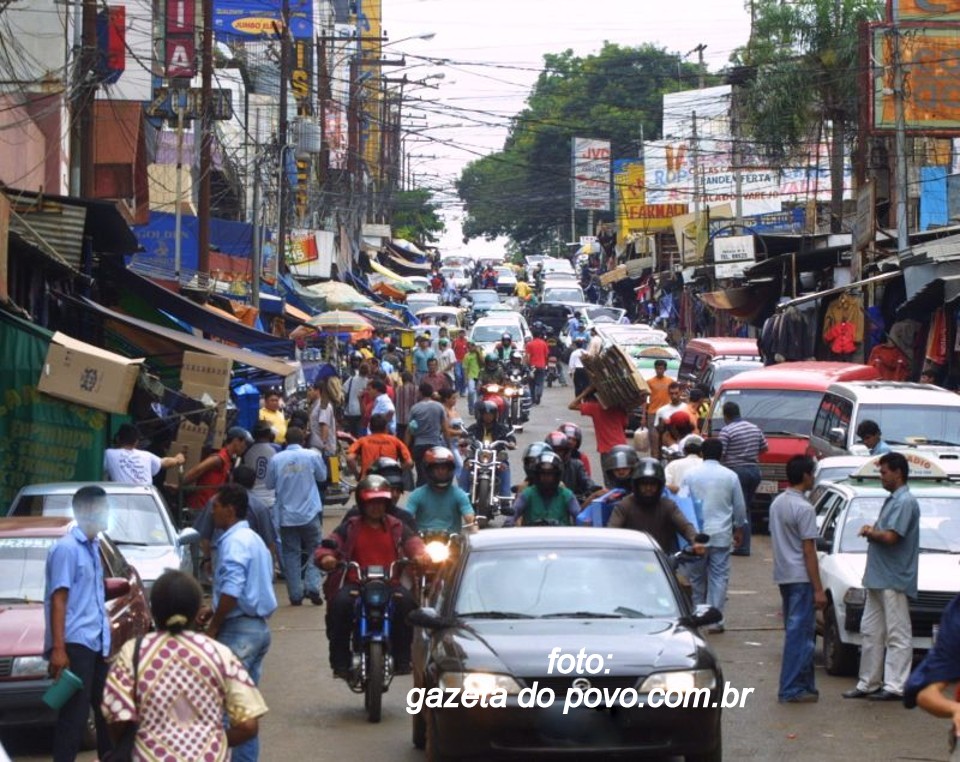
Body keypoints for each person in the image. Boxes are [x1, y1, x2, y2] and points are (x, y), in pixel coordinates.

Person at [101, 571, 268, 761]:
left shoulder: (133, 653)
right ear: (196, 610)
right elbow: (248, 726)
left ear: (153, 610)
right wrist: (214, 742)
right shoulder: (219, 654)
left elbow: (116, 715)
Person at [316, 477, 429, 678]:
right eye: (371, 502)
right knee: (339, 606)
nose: (376, 507)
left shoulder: (397, 526)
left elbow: (414, 543)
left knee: (407, 606)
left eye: (380, 502)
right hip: (356, 584)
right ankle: (340, 662)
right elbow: (330, 543)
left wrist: (421, 556)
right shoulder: (350, 526)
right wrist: (326, 557)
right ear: (362, 503)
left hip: (390, 584)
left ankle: (403, 658)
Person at [198, 485, 277, 762]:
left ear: (230, 510)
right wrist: (214, 609)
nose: (212, 511)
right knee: (244, 712)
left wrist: (214, 625)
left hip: (239, 631)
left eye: (216, 507)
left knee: (221, 708)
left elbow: (232, 589)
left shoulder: (234, 542)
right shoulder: (251, 539)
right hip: (256, 629)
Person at [843, 451, 920, 702]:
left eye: (884, 472)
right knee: (871, 631)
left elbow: (891, 537)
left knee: (897, 633)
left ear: (898, 473)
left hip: (894, 578)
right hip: (878, 577)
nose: (882, 477)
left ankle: (895, 685)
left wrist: (869, 532)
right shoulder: (893, 500)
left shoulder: (905, 502)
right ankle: (868, 682)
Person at [44, 486, 113, 762]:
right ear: (85, 511)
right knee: (74, 716)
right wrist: (59, 649)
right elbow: (58, 599)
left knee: (107, 710)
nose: (108, 513)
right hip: (76, 644)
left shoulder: (94, 546)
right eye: (102, 507)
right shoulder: (67, 549)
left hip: (96, 641)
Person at [769, 455, 827, 704]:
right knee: (800, 636)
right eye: (812, 473)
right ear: (805, 475)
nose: (814, 477)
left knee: (799, 632)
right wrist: (818, 589)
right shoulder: (804, 508)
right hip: (801, 577)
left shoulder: (778, 503)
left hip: (784, 574)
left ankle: (804, 685)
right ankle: (791, 688)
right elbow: (808, 551)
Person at [681, 438, 748, 634]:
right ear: (722, 454)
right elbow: (739, 507)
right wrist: (739, 527)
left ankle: (698, 617)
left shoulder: (690, 475)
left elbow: (683, 503)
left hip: (696, 535)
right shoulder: (731, 476)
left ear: (702, 453)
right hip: (721, 533)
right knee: (719, 577)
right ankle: (715, 620)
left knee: (697, 578)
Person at [265, 426, 327, 606]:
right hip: (309, 513)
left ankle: (295, 594)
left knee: (291, 553)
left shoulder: (276, 459)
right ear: (303, 440)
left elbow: (269, 484)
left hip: (286, 516)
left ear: (286, 441)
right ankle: (313, 585)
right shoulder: (312, 456)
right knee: (316, 548)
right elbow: (322, 477)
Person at [194, 465, 279, 577]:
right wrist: (269, 568)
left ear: (231, 479)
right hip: (251, 558)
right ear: (253, 484)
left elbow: (204, 536)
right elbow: (270, 542)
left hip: (218, 555)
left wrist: (207, 559)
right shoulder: (260, 507)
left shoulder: (216, 501)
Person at [608, 458, 705, 555]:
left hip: (662, 562)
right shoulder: (624, 506)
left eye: (653, 484)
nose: (648, 488)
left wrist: (695, 541)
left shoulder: (668, 505)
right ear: (636, 485)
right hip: (632, 560)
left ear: (660, 486)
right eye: (644, 484)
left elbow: (685, 527)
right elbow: (612, 531)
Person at [718, 400, 768, 557]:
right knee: (746, 507)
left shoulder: (726, 431)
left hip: (737, 472)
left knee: (740, 509)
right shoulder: (754, 428)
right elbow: (765, 448)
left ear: (726, 415)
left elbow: (721, 453)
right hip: (754, 471)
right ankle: (742, 543)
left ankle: (742, 546)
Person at [182, 426, 253, 513]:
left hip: (210, 507)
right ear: (236, 441)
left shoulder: (228, 460)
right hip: (200, 506)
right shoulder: (219, 458)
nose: (245, 447)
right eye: (244, 443)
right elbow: (197, 471)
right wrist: (180, 485)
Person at [407, 446, 476, 533]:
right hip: (422, 542)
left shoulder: (459, 494)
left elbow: (470, 518)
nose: (441, 472)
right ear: (429, 470)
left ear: (450, 469)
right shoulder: (417, 495)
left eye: (444, 468)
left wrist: (473, 527)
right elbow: (407, 516)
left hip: (452, 543)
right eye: (437, 468)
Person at [568, 385, 628, 484]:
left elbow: (572, 405)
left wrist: (585, 391)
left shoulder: (595, 408)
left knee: (609, 481)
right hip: (622, 447)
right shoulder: (619, 408)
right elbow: (625, 424)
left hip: (607, 450)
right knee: (623, 479)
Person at [461, 400, 517, 498]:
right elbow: (465, 435)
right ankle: (461, 495)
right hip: (476, 458)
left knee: (504, 467)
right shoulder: (475, 427)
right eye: (485, 414)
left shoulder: (501, 428)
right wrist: (463, 440)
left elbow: (510, 437)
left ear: (495, 415)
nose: (488, 416)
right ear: (481, 415)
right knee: (466, 465)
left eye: (491, 414)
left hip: (495, 458)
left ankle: (505, 499)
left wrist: (511, 443)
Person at [576, 445, 639, 527]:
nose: (621, 472)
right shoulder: (609, 494)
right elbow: (581, 515)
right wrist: (594, 496)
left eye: (625, 469)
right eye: (617, 469)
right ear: (611, 471)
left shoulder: (639, 490)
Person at [406, 382, 455, 486]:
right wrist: (449, 446)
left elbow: (409, 430)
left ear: (420, 393)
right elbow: (445, 429)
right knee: (435, 474)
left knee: (421, 474)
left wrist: (405, 449)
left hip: (419, 446)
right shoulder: (439, 407)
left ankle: (420, 496)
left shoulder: (415, 408)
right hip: (435, 446)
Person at [103, 422, 184, 484]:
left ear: (118, 438)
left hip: (120, 500)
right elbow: (164, 462)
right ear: (136, 442)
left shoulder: (108, 454)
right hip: (146, 498)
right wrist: (177, 459)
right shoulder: (146, 455)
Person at [513, 451, 580, 526]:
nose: (546, 477)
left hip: (561, 537)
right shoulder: (526, 494)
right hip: (532, 536)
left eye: (550, 474)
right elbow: (512, 515)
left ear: (557, 476)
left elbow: (580, 518)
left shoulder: (567, 495)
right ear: (537, 475)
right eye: (543, 473)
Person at [346, 412, 413, 479]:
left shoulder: (362, 441)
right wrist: (396, 469)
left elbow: (350, 459)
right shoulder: (395, 441)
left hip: (368, 480)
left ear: (370, 427)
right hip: (389, 480)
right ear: (386, 427)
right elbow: (409, 463)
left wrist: (357, 475)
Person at [544, 430, 598, 501]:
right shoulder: (540, 465)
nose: (556, 454)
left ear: (567, 451)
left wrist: (596, 490)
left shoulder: (576, 465)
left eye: (560, 450)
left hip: (572, 503)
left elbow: (587, 482)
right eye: (554, 450)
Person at [242, 423, 281, 509]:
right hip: (270, 498)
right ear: (269, 435)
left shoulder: (247, 450)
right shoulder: (276, 449)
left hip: (252, 498)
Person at [308, 377, 338, 456]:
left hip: (324, 450)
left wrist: (323, 445)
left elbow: (324, 426)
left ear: (317, 391)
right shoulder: (316, 404)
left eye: (310, 390)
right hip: (317, 447)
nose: (308, 393)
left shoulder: (323, 405)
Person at [342, 360, 370, 437]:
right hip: (361, 411)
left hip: (350, 410)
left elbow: (343, 390)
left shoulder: (351, 379)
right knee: (359, 434)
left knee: (351, 434)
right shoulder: (368, 383)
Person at [524, 329, 550, 405]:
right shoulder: (544, 343)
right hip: (541, 365)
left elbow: (528, 357)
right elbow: (546, 355)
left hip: (532, 366)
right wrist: (546, 365)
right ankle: (538, 394)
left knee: (531, 384)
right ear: (540, 335)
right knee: (540, 382)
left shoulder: (529, 344)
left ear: (533, 335)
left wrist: (528, 366)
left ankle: (533, 399)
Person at [462, 340, 484, 411]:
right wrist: (465, 379)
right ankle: (471, 407)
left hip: (480, 376)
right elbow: (465, 368)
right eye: (469, 346)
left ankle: (477, 408)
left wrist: (478, 352)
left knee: (479, 393)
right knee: (471, 392)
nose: (470, 348)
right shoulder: (467, 356)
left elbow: (483, 363)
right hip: (471, 376)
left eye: (472, 346)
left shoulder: (480, 353)